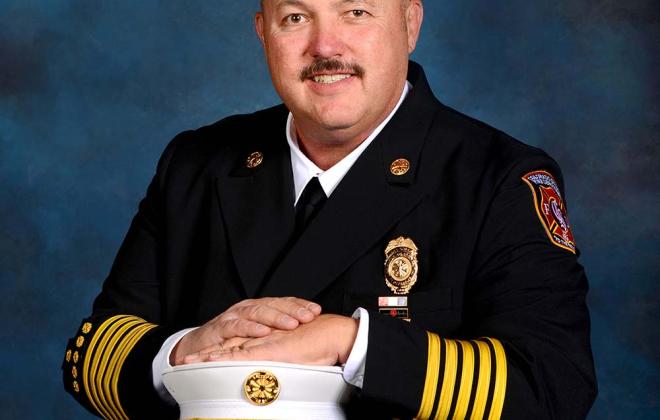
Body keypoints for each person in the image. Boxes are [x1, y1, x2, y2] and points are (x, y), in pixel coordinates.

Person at [61, 0, 597, 418]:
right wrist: (181, 353)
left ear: (410, 23)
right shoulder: (196, 164)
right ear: (262, 32)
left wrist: (353, 344)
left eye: (356, 12)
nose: (324, 46)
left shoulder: (498, 177)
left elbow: (552, 387)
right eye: (295, 17)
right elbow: (90, 359)